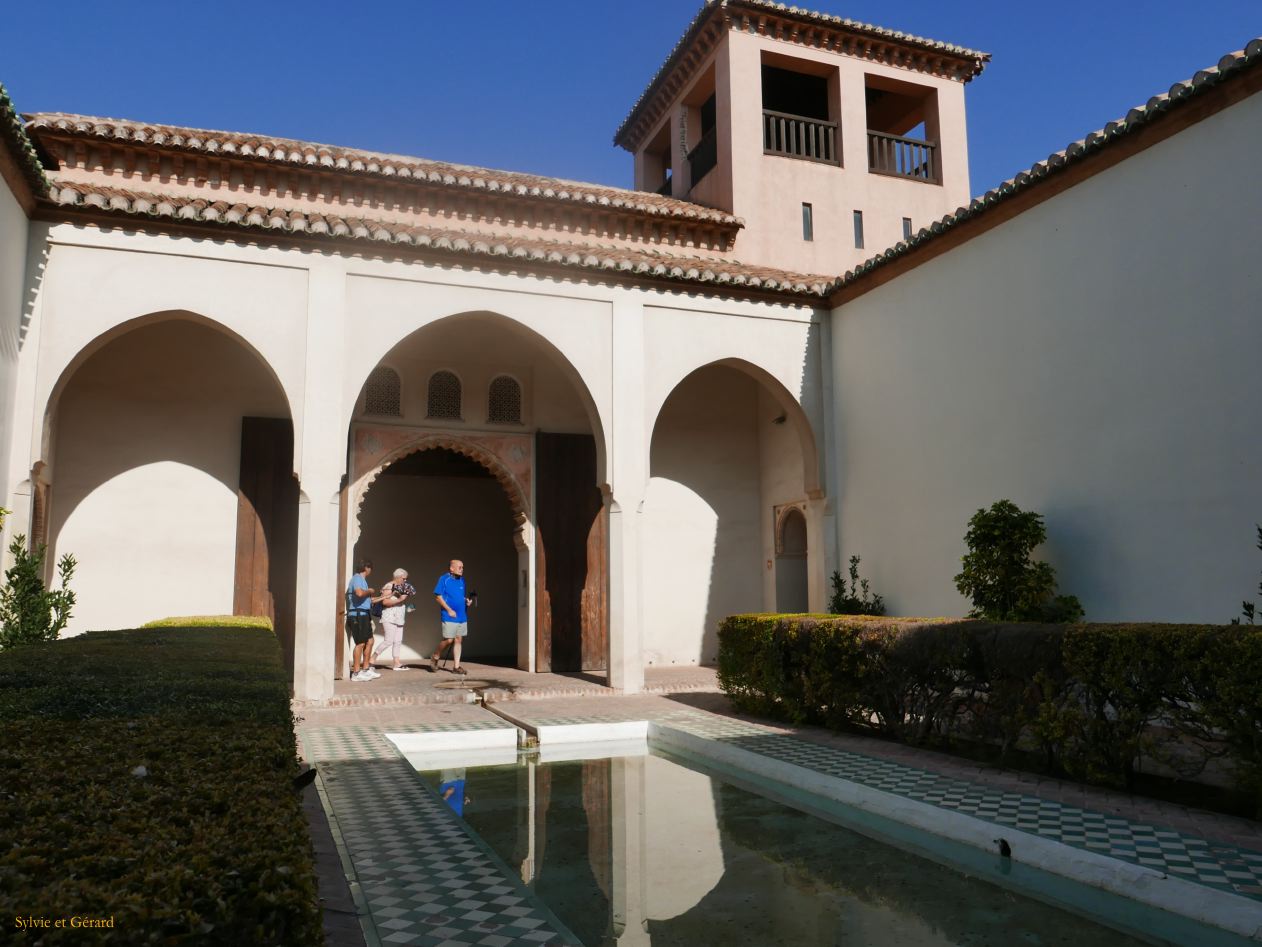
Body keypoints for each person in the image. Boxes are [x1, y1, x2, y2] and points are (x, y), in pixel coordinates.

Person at [431, 559, 471, 675]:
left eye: (462, 567)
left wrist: (466, 601)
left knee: (459, 639)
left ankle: (456, 667)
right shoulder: (444, 579)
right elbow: (438, 597)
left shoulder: (462, 580)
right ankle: (435, 656)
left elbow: (459, 596)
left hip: (461, 615)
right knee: (449, 640)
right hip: (449, 615)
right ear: (451, 568)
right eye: (459, 567)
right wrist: (449, 610)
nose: (462, 569)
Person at [373, 568, 415, 671]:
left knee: (398, 641)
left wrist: (407, 605)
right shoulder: (389, 586)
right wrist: (400, 599)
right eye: (404, 578)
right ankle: (372, 659)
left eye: (406, 579)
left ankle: (397, 663)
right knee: (388, 641)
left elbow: (400, 602)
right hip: (389, 616)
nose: (405, 581)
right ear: (398, 577)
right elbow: (385, 602)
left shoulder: (402, 587)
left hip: (399, 617)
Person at [345, 559, 380, 682]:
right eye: (370, 568)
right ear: (367, 568)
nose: (371, 570)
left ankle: (365, 670)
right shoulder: (357, 579)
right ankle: (356, 673)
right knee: (360, 643)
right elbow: (359, 593)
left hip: (364, 614)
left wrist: (383, 597)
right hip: (357, 615)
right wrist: (370, 591)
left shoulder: (362, 580)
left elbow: (366, 599)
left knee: (370, 641)